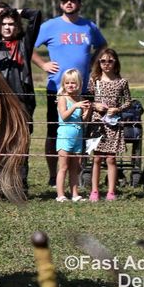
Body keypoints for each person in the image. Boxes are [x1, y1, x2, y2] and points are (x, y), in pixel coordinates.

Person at [33, 0, 107, 187]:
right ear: (60, 4)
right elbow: (29, 46)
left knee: (81, 131)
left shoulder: (88, 26)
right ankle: (52, 174)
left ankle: (79, 174)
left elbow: (102, 45)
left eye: (73, 0)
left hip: (82, 89)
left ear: (79, 3)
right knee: (54, 131)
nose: (69, 3)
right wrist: (43, 64)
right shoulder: (51, 26)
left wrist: (93, 60)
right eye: (65, 0)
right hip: (56, 89)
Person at [0, 6, 42, 191]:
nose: (8, 27)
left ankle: (19, 186)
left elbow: (36, 15)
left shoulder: (24, 44)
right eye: (4, 24)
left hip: (22, 102)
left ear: (17, 26)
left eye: (12, 24)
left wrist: (16, 10)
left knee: (20, 146)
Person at [86, 48, 132, 202]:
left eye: (110, 61)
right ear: (98, 63)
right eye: (103, 61)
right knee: (97, 159)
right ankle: (94, 190)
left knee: (111, 159)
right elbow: (86, 99)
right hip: (98, 124)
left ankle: (111, 192)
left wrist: (118, 109)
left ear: (115, 62)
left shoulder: (122, 82)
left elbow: (128, 101)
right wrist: (94, 105)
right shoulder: (94, 80)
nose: (106, 64)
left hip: (113, 124)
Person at [55, 69, 88, 202]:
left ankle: (75, 194)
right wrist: (75, 106)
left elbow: (84, 120)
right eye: (67, 83)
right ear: (63, 84)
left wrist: (87, 110)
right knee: (63, 166)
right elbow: (64, 116)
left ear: (79, 83)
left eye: (73, 83)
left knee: (75, 167)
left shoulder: (80, 99)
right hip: (65, 134)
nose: (70, 85)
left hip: (78, 134)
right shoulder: (63, 98)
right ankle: (60, 195)